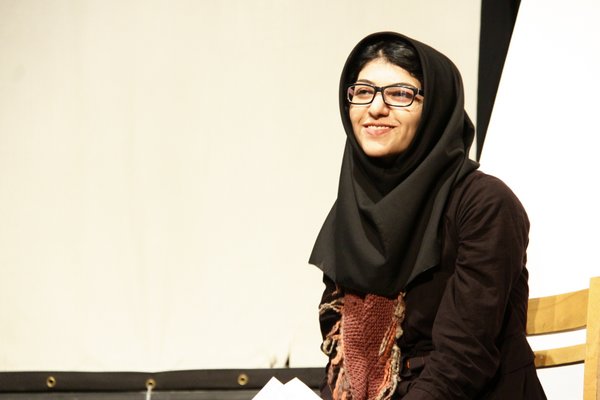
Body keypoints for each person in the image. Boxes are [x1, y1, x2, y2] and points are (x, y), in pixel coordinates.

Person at [309, 32, 546, 400]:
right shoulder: (352, 214)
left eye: (400, 94)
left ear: (435, 108)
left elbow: (462, 359)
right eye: (363, 91)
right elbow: (340, 362)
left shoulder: (484, 203)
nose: (375, 108)